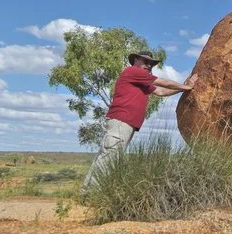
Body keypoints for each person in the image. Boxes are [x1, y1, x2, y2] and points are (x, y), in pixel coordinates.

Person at [81, 50, 198, 191]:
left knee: (107, 154)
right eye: (146, 62)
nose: (149, 66)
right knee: (110, 155)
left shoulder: (140, 81)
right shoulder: (132, 72)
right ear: (136, 60)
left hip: (126, 123)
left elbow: (161, 92)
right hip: (121, 120)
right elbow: (163, 82)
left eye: (151, 64)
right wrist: (187, 86)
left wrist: (182, 88)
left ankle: (86, 191)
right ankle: (93, 192)